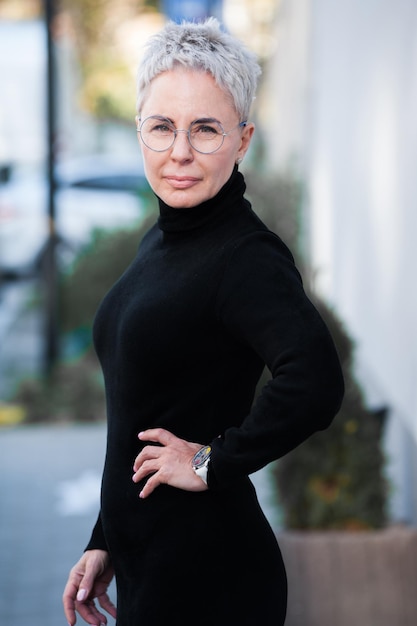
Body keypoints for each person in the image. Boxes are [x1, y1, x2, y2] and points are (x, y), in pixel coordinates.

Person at [63, 18, 344, 626]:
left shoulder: (245, 256)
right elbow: (143, 416)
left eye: (205, 129)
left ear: (242, 141)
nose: (180, 152)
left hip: (210, 579)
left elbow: (315, 380)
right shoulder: (162, 240)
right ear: (140, 131)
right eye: (161, 127)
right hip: (153, 570)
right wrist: (104, 536)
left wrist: (211, 461)